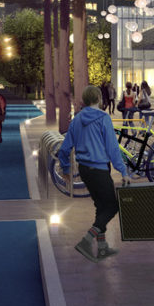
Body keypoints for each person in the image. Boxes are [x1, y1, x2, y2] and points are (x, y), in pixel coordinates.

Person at [55, 85, 129, 262]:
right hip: (100, 169)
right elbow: (112, 149)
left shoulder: (77, 120)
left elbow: (64, 149)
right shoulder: (103, 118)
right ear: (98, 99)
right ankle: (87, 240)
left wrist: (66, 169)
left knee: (101, 206)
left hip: (85, 170)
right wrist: (123, 171)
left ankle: (102, 248)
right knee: (112, 206)